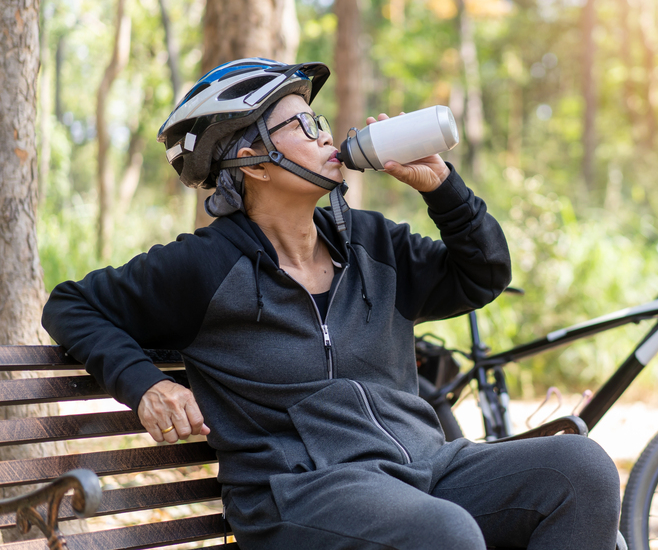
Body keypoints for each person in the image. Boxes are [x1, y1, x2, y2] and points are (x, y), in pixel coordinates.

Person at [42, 58, 622, 550]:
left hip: (424, 466)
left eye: (317, 119)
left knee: (580, 470)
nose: (325, 134)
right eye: (301, 123)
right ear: (254, 160)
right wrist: (146, 383)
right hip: (299, 491)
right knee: (443, 534)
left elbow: (483, 275)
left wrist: (442, 189)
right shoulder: (203, 267)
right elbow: (71, 305)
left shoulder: (373, 243)